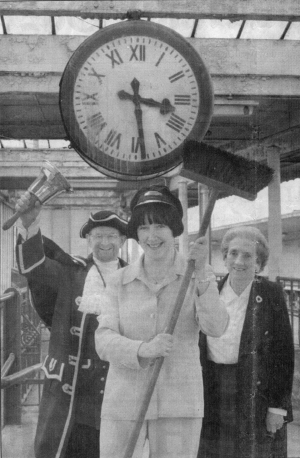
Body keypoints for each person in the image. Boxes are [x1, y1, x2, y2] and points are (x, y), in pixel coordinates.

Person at [94, 185, 229, 458]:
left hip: (179, 402)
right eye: (144, 228)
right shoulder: (118, 281)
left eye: (159, 226)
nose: (152, 236)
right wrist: (143, 349)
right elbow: (103, 340)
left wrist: (202, 272)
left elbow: (216, 328)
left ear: (174, 230)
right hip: (124, 402)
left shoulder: (198, 276)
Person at [15, 190, 128, 458]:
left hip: (117, 393)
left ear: (123, 240)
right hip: (71, 399)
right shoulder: (70, 271)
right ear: (88, 239)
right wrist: (30, 224)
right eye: (98, 236)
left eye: (111, 235)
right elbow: (34, 268)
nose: (104, 242)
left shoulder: (134, 278)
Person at [198, 226, 294, 458]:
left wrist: (277, 408)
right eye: (233, 253)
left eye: (248, 255)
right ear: (224, 257)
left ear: (259, 264)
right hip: (214, 391)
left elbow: (284, 353)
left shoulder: (271, 294)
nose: (238, 261)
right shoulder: (211, 292)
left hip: (256, 394)